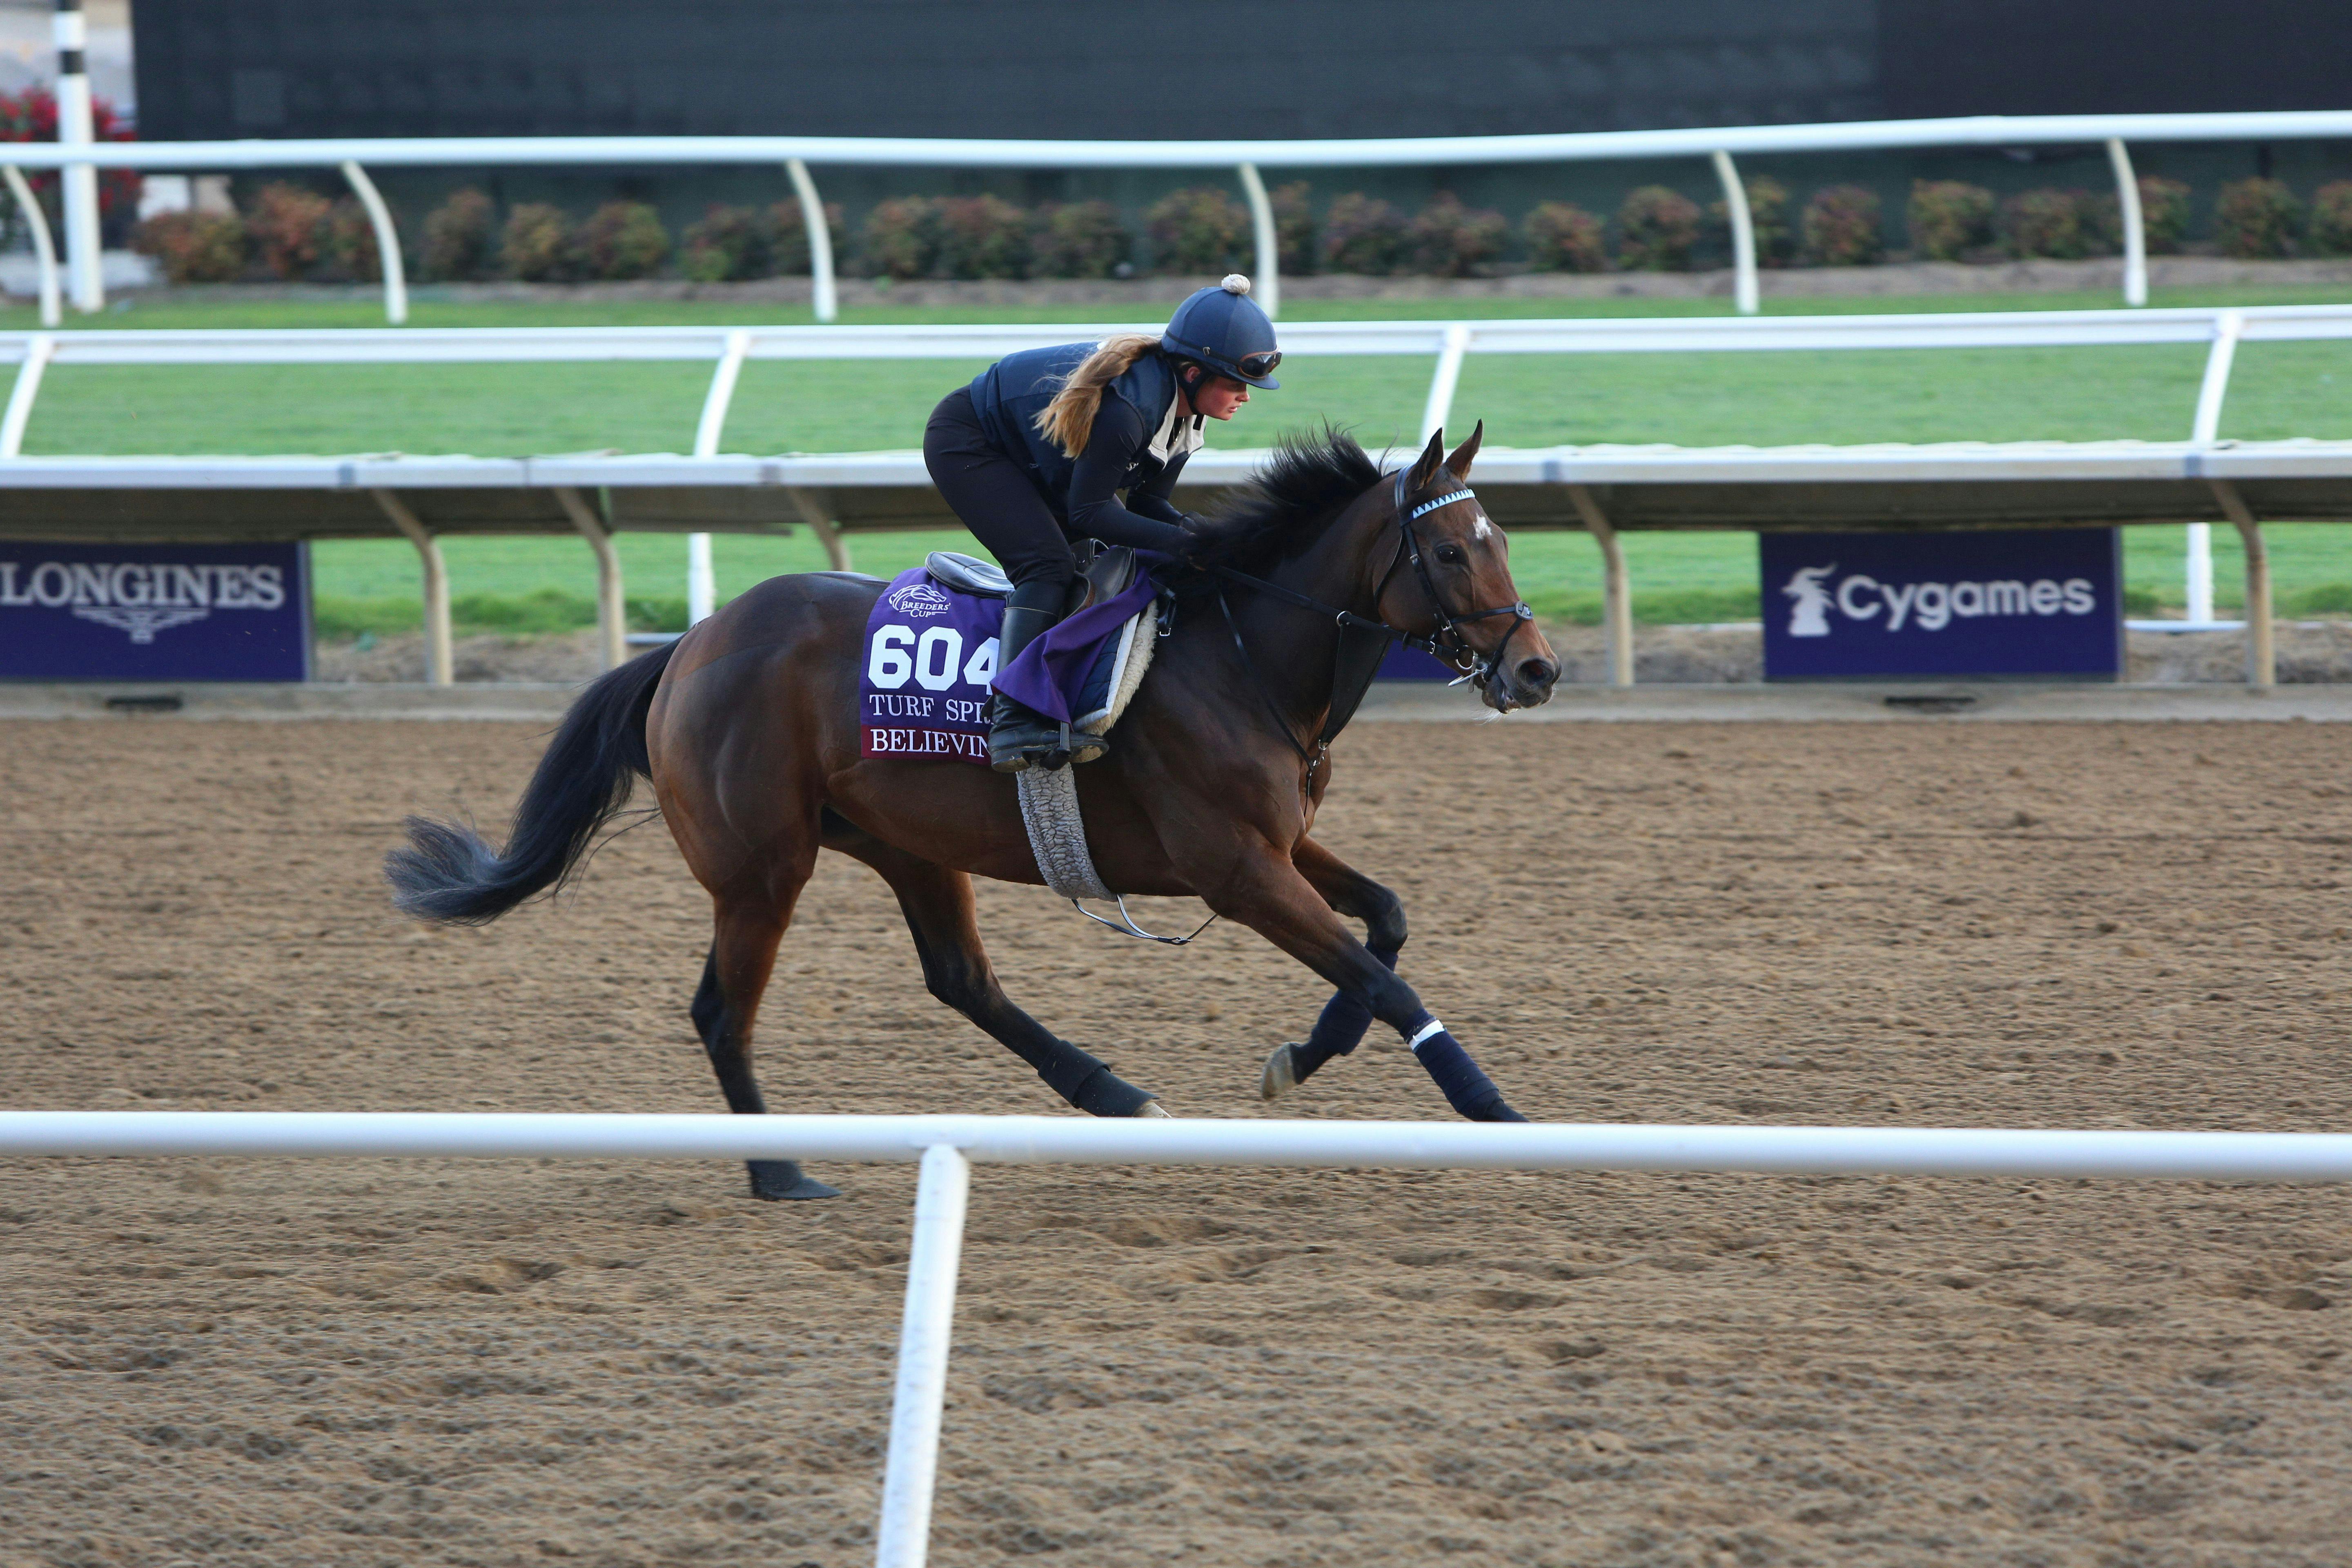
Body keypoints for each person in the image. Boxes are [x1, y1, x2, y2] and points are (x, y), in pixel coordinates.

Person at [922, 273, 1281, 772]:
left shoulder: (1185, 416)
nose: (1246, 396)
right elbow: (1090, 512)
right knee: (1047, 567)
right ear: (1194, 374)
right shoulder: (1129, 411)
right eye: (1238, 383)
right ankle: (1010, 720)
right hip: (970, 440)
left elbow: (1147, 505)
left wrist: (1209, 538)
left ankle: (1068, 700)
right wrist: (1189, 544)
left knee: (1089, 562)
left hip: (1032, 457)